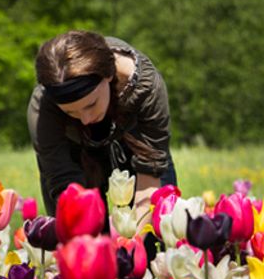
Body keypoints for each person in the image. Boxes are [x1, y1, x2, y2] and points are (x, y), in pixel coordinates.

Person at [28, 30, 176, 220]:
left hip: (135, 145)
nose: (85, 119)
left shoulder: (145, 86)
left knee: (155, 232)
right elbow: (66, 187)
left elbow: (149, 175)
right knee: (84, 231)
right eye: (70, 112)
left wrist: (133, 242)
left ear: (108, 75)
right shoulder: (42, 108)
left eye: (91, 104)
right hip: (77, 152)